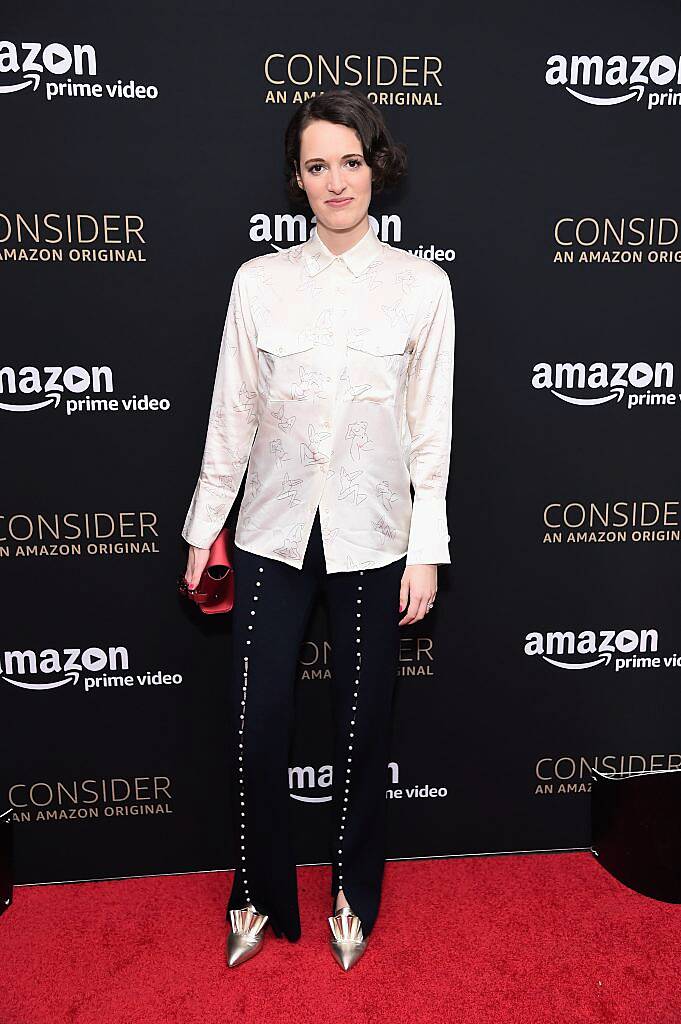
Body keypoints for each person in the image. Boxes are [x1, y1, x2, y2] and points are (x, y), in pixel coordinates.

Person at [181, 88, 456, 971]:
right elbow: (233, 413)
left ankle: (351, 889)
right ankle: (256, 890)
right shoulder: (258, 283)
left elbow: (430, 429)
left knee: (360, 727)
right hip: (269, 535)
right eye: (316, 166)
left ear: (375, 166)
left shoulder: (423, 288)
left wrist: (427, 546)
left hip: (376, 536)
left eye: (349, 160)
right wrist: (202, 528)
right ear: (295, 182)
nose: (335, 180)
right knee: (257, 725)